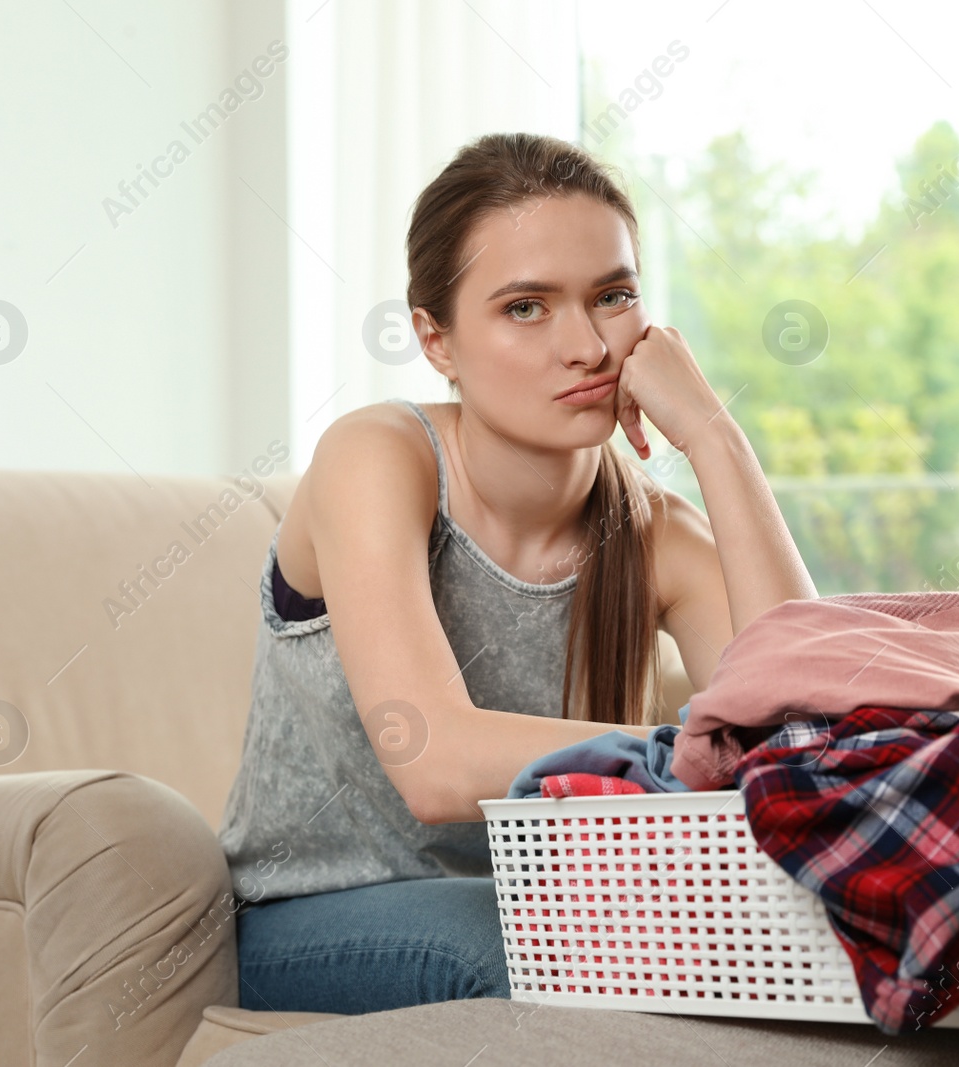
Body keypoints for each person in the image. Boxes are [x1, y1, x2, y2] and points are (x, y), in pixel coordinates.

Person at [217, 131, 816, 1016]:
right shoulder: (377, 458)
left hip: (563, 908)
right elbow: (434, 763)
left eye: (612, 297)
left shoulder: (654, 533)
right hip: (314, 917)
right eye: (526, 308)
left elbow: (811, 731)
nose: (586, 347)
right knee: (559, 956)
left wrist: (715, 437)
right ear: (438, 339)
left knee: (802, 932)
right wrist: (679, 756)